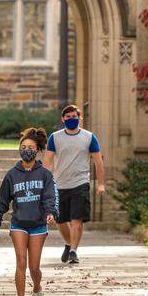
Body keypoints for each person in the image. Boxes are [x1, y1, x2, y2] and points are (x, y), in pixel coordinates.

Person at [0, 127, 58, 296]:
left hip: (38, 224)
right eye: (23, 146)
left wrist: (50, 212)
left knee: (34, 267)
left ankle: (37, 287)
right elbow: (2, 200)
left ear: (37, 150)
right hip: (18, 223)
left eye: (30, 147)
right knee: (21, 262)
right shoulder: (12, 174)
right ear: (20, 149)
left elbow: (50, 196)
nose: (26, 150)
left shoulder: (45, 174)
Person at [44, 105, 104, 264]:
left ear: (80, 118)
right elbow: (48, 162)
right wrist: (45, 183)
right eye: (68, 117)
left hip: (80, 183)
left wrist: (100, 184)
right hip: (60, 184)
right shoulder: (55, 138)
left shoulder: (89, 137)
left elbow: (98, 161)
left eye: (74, 116)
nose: (72, 119)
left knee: (77, 220)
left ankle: (73, 251)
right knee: (60, 220)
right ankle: (68, 243)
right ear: (63, 119)